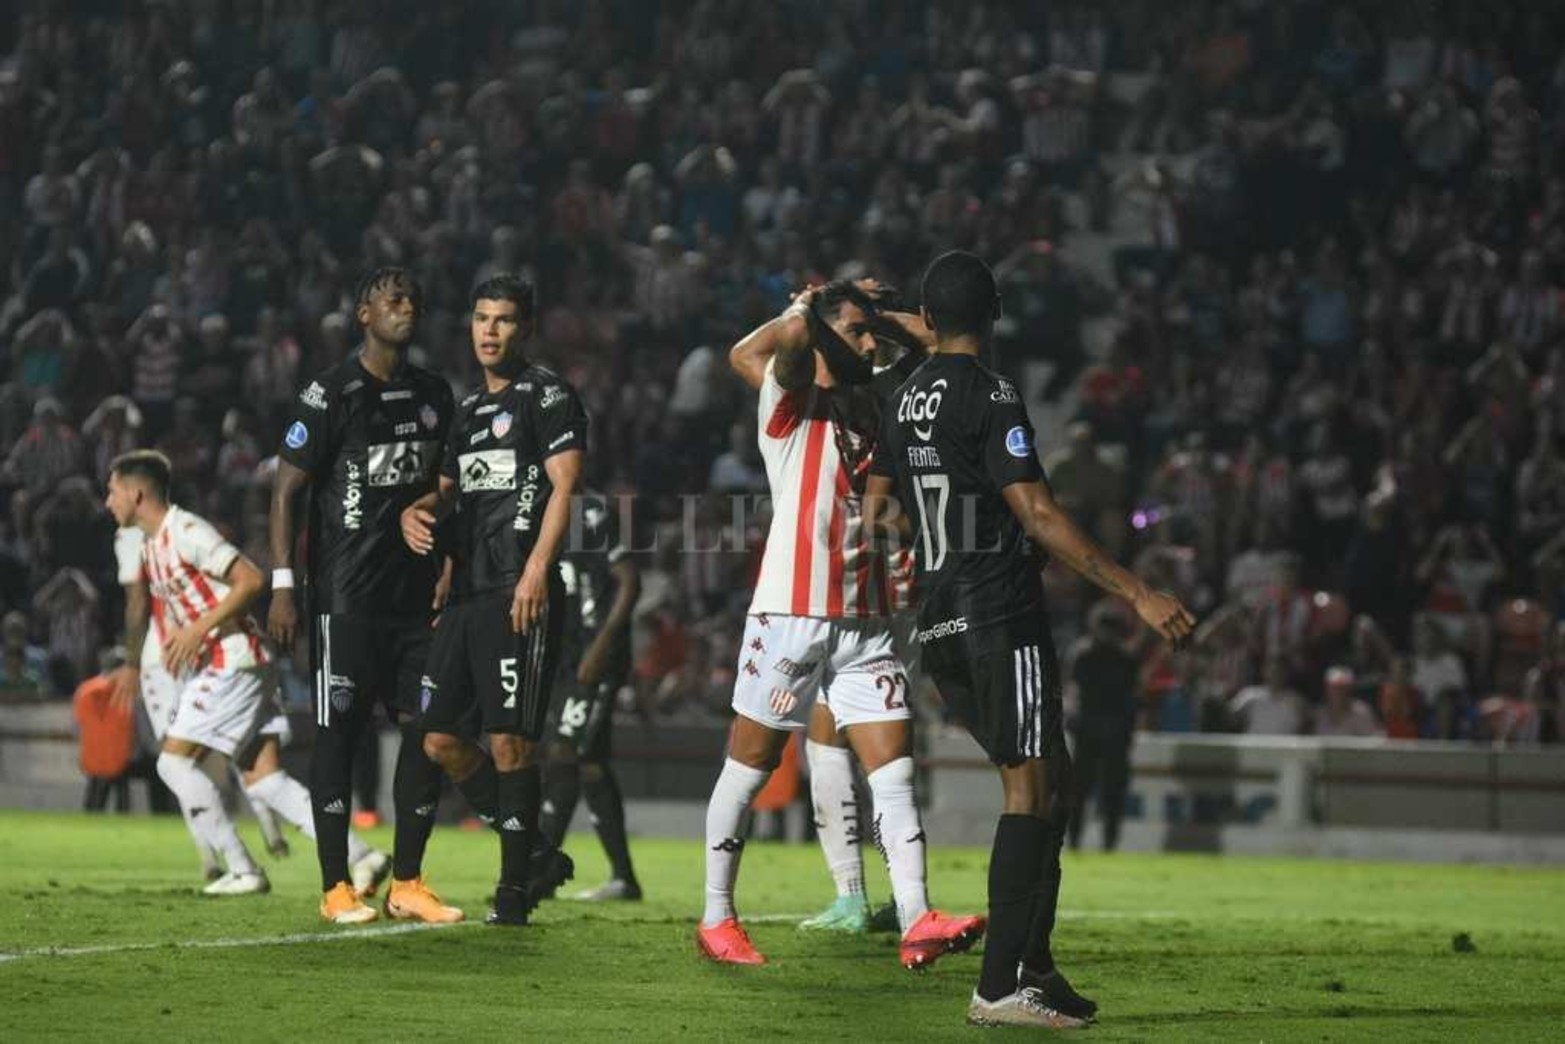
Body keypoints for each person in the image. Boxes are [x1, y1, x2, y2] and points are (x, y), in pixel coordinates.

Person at [865, 251, 1195, 1029]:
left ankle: (1033, 963)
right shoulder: (992, 393)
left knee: (1056, 778)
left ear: (930, 316)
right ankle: (998, 985)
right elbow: (1039, 514)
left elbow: (877, 511)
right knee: (1030, 789)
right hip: (997, 613)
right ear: (995, 314)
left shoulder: (902, 396)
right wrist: (1138, 591)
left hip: (939, 619)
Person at [699, 280, 983, 969]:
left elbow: (934, 341)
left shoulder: (877, 400)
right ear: (823, 337)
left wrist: (868, 310)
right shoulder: (791, 399)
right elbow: (781, 346)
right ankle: (716, 916)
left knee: (892, 770)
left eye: (869, 335)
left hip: (869, 619)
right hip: (791, 613)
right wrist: (810, 306)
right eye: (854, 334)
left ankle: (917, 918)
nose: (869, 344)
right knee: (752, 761)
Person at [268, 268, 458, 925]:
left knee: (427, 733)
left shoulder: (434, 394)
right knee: (338, 739)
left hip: (413, 602)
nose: (407, 308)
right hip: (344, 598)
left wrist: (432, 511)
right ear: (363, 314)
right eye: (393, 300)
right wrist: (284, 587)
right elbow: (286, 492)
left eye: (413, 299)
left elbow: (448, 483)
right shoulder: (331, 393)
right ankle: (335, 888)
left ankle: (407, 881)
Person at [401, 274, 587, 926]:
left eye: (503, 320)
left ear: (524, 328)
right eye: (481, 318)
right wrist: (416, 513)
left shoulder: (548, 396)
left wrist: (537, 569)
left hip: (518, 589)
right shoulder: (469, 410)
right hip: (467, 592)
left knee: (510, 742)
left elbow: (565, 488)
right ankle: (536, 850)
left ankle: (513, 893)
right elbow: (447, 493)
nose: (489, 330)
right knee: (439, 739)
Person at [105, 451, 372, 897]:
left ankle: (242, 866)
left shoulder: (186, 530)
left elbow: (250, 578)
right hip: (237, 662)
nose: (107, 501)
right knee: (265, 780)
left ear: (136, 493)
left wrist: (197, 629)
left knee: (172, 762)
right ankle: (362, 855)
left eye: (112, 491)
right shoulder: (152, 545)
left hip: (235, 660)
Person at [534, 490, 644, 901]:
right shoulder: (540, 507)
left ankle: (540, 869)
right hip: (566, 659)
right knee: (587, 762)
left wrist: (602, 645)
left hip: (595, 657)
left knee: (567, 752)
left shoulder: (590, 511)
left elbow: (630, 580)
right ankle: (622, 878)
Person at [1066, 602, 1141, 852]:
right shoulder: (1085, 656)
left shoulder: (1123, 659)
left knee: (1110, 794)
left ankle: (1108, 843)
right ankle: (1076, 840)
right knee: (1080, 793)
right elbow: (1075, 693)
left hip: (1110, 731)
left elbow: (1131, 699)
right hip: (1092, 730)